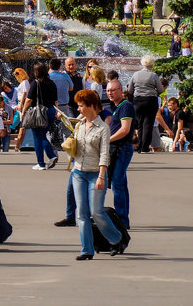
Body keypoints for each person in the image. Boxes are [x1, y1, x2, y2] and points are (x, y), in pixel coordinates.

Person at [68, 89, 126, 260]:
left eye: (81, 106)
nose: (78, 109)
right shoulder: (79, 125)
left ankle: (116, 239)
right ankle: (86, 249)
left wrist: (102, 175)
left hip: (96, 173)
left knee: (96, 211)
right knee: (82, 213)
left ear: (91, 106)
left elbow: (104, 153)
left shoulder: (103, 128)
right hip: (78, 172)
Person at [105, 79, 135, 225]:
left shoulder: (126, 106)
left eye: (113, 90)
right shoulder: (117, 107)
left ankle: (122, 219)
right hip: (118, 148)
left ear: (121, 90)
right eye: (108, 91)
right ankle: (123, 218)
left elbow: (125, 129)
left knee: (117, 182)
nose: (110, 93)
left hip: (122, 148)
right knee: (120, 182)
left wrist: (108, 140)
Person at [21, 63, 59, 170]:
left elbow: (29, 99)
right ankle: (51, 156)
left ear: (36, 72)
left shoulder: (36, 83)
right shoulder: (52, 83)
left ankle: (42, 162)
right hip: (51, 111)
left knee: (38, 137)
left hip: (39, 112)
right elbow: (56, 101)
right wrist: (56, 113)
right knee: (43, 135)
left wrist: (23, 111)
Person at [128, 56, 164, 154]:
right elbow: (160, 90)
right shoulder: (153, 75)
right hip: (150, 100)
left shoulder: (135, 74)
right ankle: (145, 148)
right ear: (151, 65)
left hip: (138, 100)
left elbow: (130, 90)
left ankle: (139, 147)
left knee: (140, 124)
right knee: (148, 124)